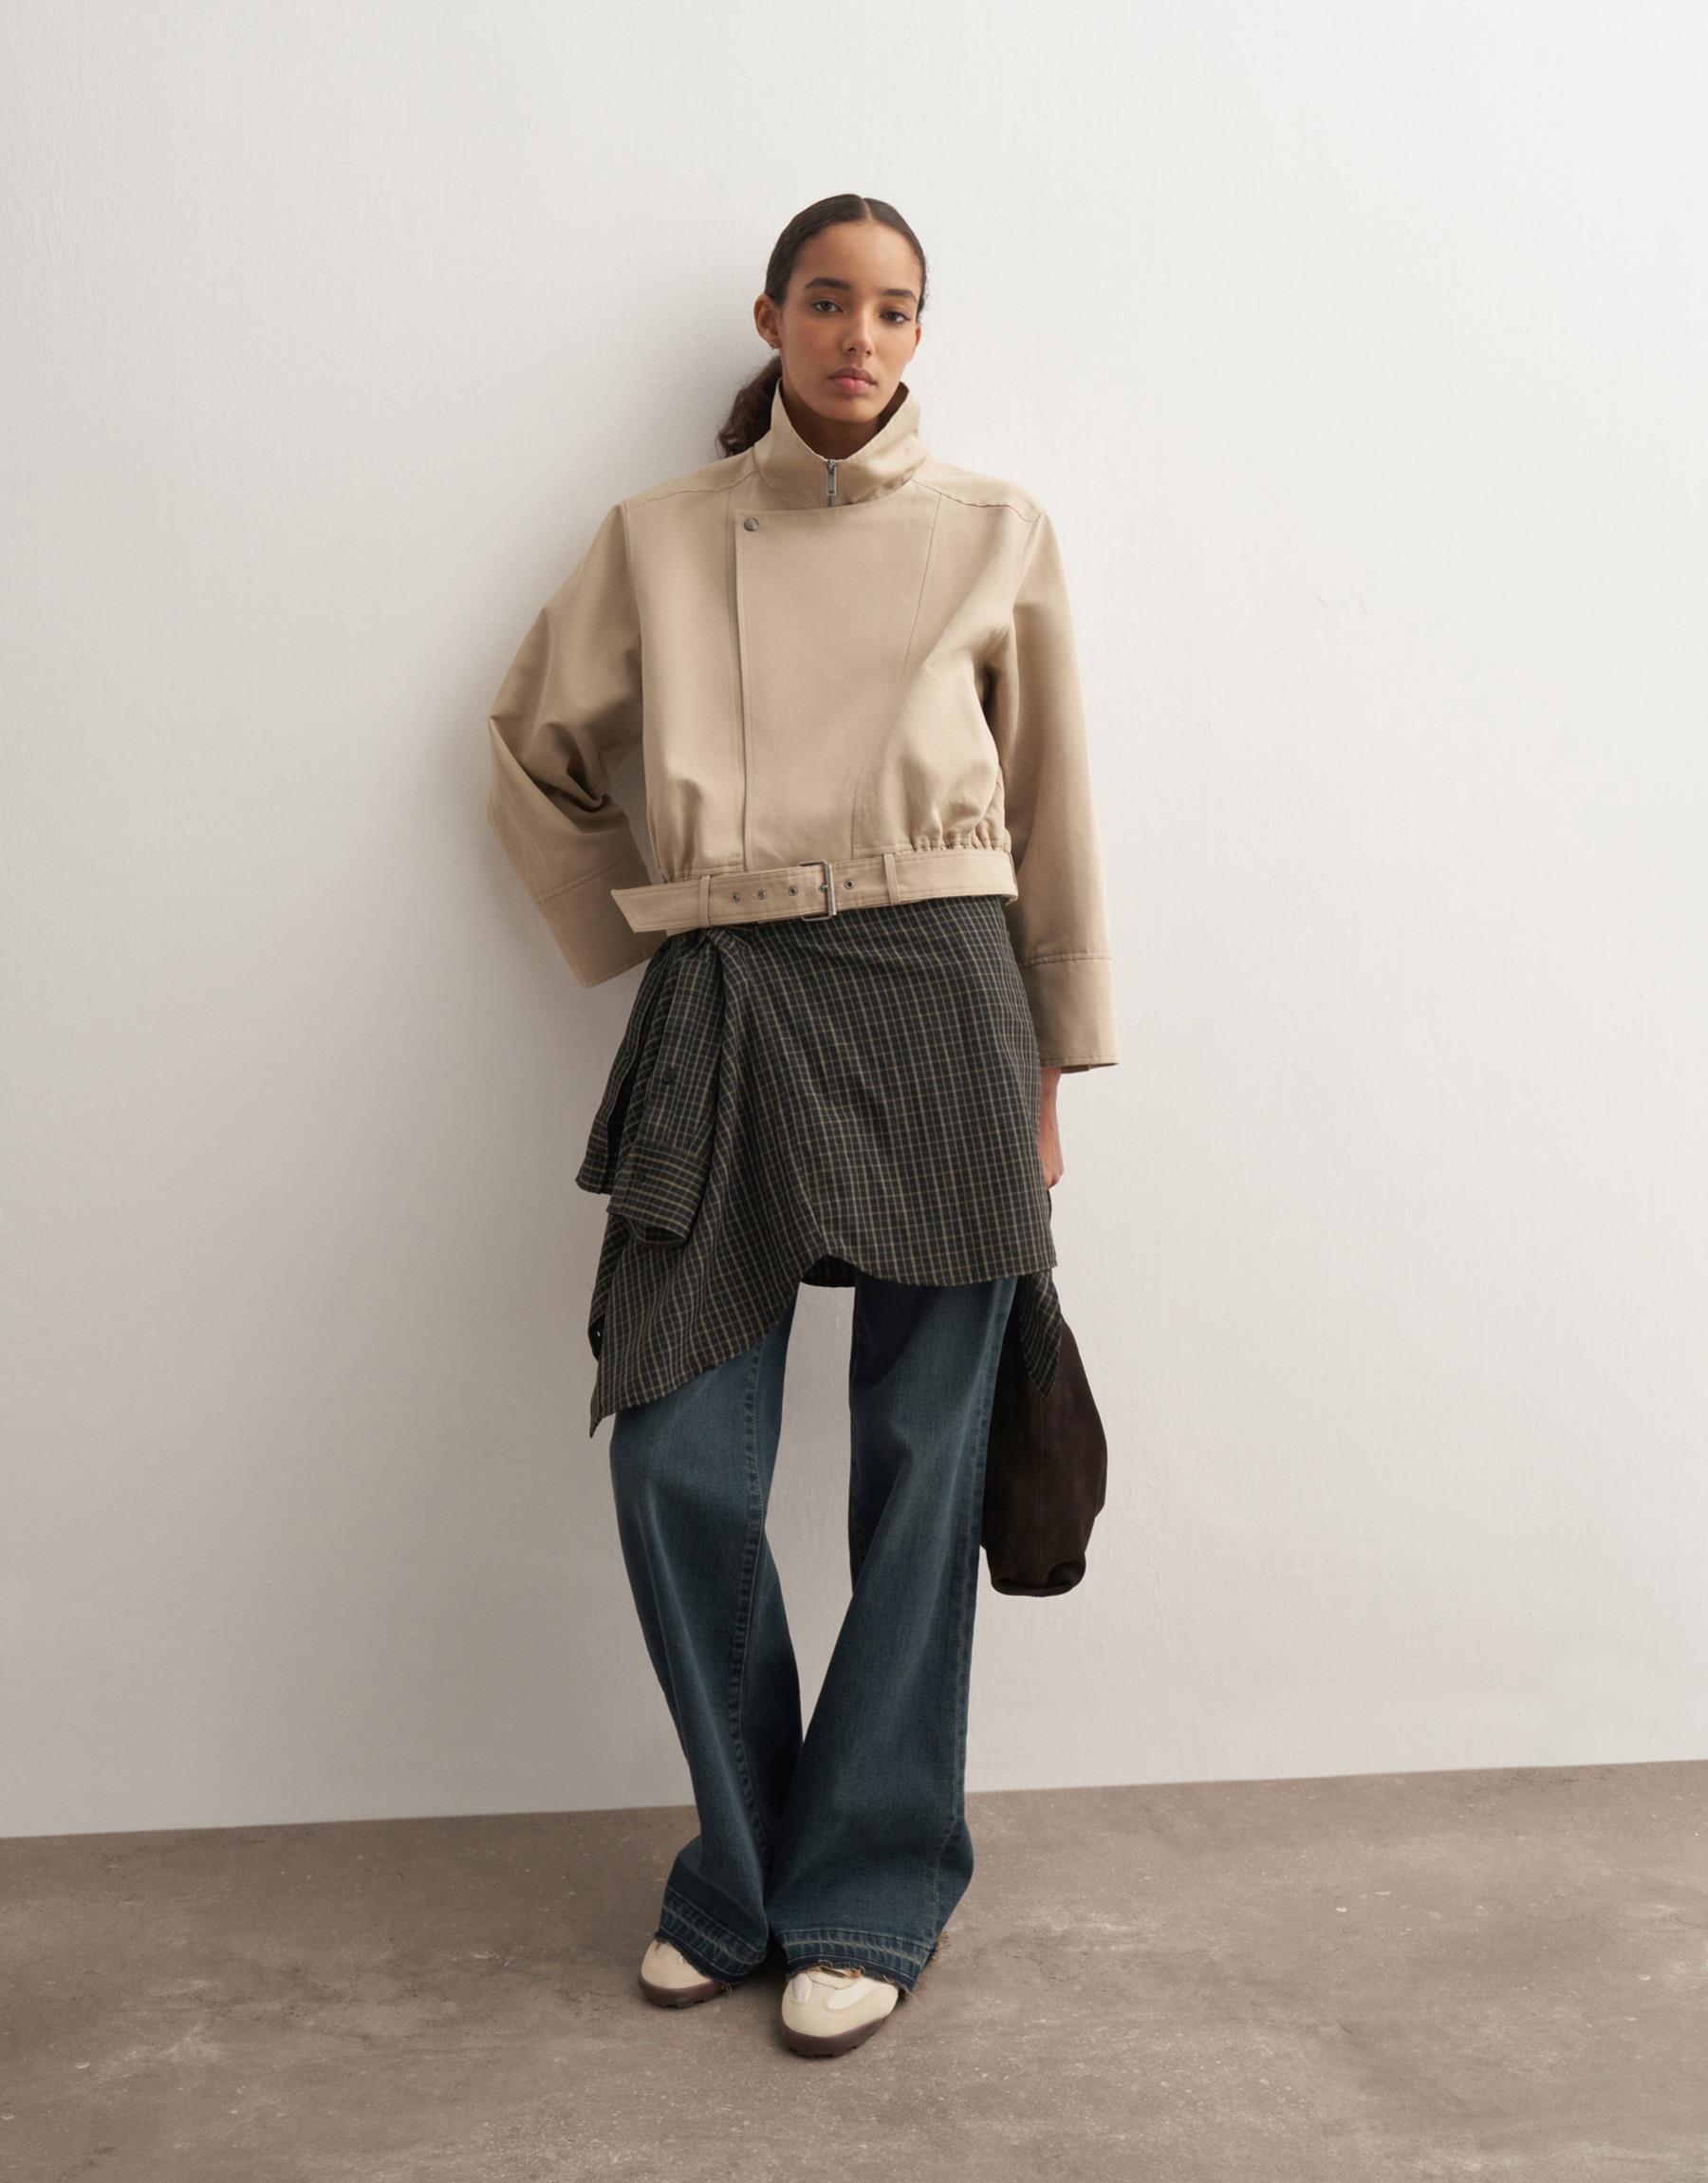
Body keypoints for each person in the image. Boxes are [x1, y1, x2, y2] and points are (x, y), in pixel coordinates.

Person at [484, 194, 1118, 2059]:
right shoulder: (661, 535)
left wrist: (1051, 1072)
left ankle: (870, 1884)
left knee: (924, 1469)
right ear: (772, 316)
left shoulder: (996, 528)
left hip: (943, 991)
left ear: (922, 333)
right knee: (675, 1457)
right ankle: (750, 1866)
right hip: (733, 992)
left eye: (895, 309)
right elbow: (529, 747)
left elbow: (1057, 810)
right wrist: (643, 928)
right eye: (829, 301)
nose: (860, 336)